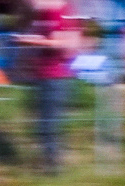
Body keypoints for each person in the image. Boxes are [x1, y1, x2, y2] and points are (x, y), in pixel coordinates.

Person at [14, 0, 79, 175]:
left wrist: (29, 42)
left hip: (55, 76)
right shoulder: (43, 13)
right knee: (43, 126)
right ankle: (47, 166)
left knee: (49, 126)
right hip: (43, 75)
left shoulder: (56, 11)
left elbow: (60, 43)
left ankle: (53, 170)